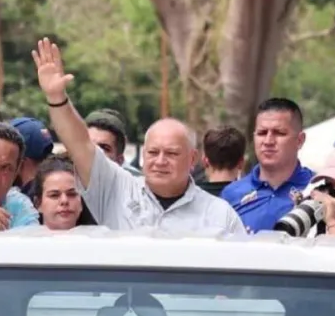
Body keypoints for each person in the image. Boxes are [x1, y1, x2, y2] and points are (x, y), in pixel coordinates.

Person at [33, 38, 244, 234]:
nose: (160, 161)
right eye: (153, 152)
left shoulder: (220, 216)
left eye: (171, 153)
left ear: (192, 159)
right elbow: (79, 143)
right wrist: (56, 97)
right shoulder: (116, 187)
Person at [221, 99, 313, 232]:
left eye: (279, 133)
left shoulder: (317, 188)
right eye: (262, 133)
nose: (268, 141)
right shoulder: (231, 194)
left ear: (300, 140)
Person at [31, 156, 97, 230]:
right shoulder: (22, 240)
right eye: (54, 195)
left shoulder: (101, 239)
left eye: (72, 194)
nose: (64, 200)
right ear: (38, 203)